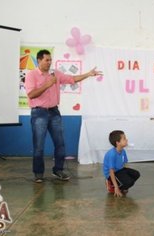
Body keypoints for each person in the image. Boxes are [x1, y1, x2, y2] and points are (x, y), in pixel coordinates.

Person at [25, 49, 102, 183]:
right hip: (39, 113)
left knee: (60, 143)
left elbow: (72, 79)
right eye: (46, 60)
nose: (49, 63)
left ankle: (58, 170)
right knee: (39, 146)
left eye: (50, 60)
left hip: (54, 112)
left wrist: (88, 74)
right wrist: (47, 84)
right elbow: (31, 94)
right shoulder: (31, 75)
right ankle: (38, 173)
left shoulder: (55, 73)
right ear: (39, 60)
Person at [103, 130, 140, 197]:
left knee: (136, 174)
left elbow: (124, 164)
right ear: (118, 143)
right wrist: (116, 187)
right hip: (111, 173)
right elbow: (111, 171)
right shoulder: (112, 154)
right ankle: (111, 185)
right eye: (124, 139)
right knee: (129, 182)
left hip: (119, 169)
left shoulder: (123, 151)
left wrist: (126, 176)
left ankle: (123, 186)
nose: (126, 140)